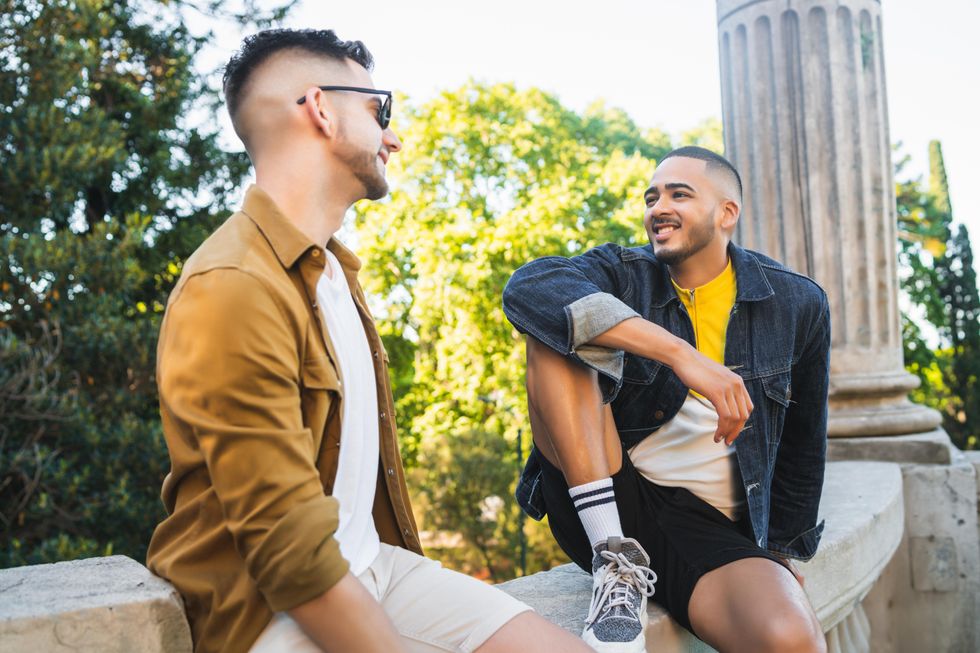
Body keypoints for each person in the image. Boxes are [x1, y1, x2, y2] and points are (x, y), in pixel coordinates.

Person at [146, 28, 590, 653]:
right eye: (378, 110)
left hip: (374, 568)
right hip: (270, 611)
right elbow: (289, 553)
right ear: (321, 108)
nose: (393, 136)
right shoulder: (234, 285)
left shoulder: (333, 272)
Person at [502, 146, 830, 653]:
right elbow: (530, 286)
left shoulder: (796, 303)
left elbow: (804, 444)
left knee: (790, 638)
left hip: (710, 526)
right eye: (652, 197)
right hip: (605, 493)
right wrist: (680, 353)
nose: (658, 207)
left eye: (680, 194)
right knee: (558, 326)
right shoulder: (623, 272)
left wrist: (781, 550)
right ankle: (615, 562)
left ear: (727, 213)